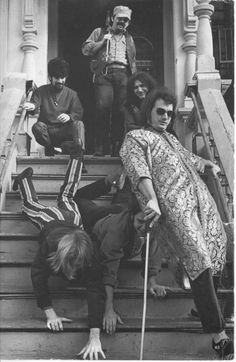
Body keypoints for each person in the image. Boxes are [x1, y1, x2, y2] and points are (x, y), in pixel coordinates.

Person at [120, 88, 234, 359]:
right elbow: (138, 170)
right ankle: (219, 336)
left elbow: (188, 158)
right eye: (161, 111)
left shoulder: (170, 137)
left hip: (200, 203)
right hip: (174, 208)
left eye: (170, 114)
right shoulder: (136, 137)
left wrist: (206, 163)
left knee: (218, 249)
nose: (166, 117)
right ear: (149, 109)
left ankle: (204, 307)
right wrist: (151, 200)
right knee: (200, 257)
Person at [12, 144, 105, 360]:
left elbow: (96, 290)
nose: (74, 274)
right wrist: (49, 312)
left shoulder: (90, 254)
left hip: (74, 222)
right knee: (32, 206)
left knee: (68, 196)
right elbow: (37, 274)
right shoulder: (49, 248)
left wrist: (94, 334)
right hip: (51, 221)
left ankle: (77, 158)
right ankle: (23, 180)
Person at [73, 169, 160, 335]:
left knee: (127, 195)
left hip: (125, 205)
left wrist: (152, 282)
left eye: (147, 223)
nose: (144, 228)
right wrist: (108, 308)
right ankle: (107, 182)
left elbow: (152, 248)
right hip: (102, 216)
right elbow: (109, 270)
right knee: (77, 198)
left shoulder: (149, 220)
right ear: (132, 217)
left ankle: (126, 177)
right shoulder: (116, 232)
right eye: (140, 222)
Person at [82, 6, 136, 156]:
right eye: (120, 18)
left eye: (126, 20)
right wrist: (102, 43)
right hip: (104, 74)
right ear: (113, 18)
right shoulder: (99, 32)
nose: (123, 22)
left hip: (123, 75)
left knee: (120, 111)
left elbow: (133, 61)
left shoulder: (129, 38)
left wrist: (134, 80)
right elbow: (85, 50)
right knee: (102, 109)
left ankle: (116, 147)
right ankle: (100, 146)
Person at [23, 57, 85, 156]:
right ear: (50, 77)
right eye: (57, 78)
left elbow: (78, 113)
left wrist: (69, 116)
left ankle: (78, 155)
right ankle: (51, 148)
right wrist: (32, 105)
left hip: (64, 131)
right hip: (47, 132)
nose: (60, 81)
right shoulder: (41, 91)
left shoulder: (72, 94)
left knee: (79, 124)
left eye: (63, 78)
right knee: (37, 127)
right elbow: (35, 102)